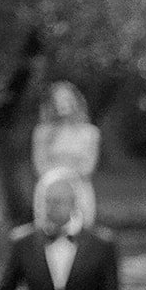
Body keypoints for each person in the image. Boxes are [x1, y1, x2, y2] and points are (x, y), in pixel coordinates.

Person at [31, 82, 101, 226]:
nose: (62, 104)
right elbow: (40, 166)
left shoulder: (90, 133)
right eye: (57, 100)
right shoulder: (41, 133)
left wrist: (64, 176)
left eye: (67, 99)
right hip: (49, 192)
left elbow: (88, 168)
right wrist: (58, 185)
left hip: (80, 191)